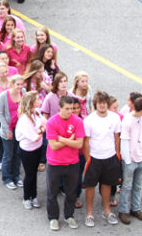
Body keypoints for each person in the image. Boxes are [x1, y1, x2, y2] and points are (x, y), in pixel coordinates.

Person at [46, 95, 85, 231]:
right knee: (52, 192)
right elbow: (53, 146)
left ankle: (69, 216)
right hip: (55, 163)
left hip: (72, 163)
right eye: (67, 108)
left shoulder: (78, 121)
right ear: (60, 108)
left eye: (72, 108)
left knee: (71, 192)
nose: (70, 111)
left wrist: (61, 138)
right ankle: (53, 218)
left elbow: (79, 144)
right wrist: (70, 140)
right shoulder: (51, 122)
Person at [82, 91, 122, 226]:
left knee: (107, 184)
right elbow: (86, 141)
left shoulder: (115, 118)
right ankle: (89, 213)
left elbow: (117, 138)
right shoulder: (89, 120)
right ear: (96, 104)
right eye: (100, 103)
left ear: (107, 104)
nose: (102, 105)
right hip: (94, 159)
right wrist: (88, 159)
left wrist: (117, 154)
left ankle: (107, 210)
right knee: (90, 186)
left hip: (110, 157)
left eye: (104, 102)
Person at [17, 90, 48, 210]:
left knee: (34, 173)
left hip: (37, 149)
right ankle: (26, 197)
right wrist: (41, 129)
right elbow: (34, 137)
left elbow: (45, 124)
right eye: (37, 99)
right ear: (31, 102)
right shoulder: (25, 119)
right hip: (27, 151)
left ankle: (33, 196)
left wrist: (40, 129)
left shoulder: (37, 113)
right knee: (29, 175)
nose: (40, 101)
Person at [119, 96, 142, 224]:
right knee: (127, 186)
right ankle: (123, 211)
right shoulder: (128, 120)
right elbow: (124, 142)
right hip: (130, 160)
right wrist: (127, 161)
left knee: (138, 185)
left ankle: (136, 208)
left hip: (140, 157)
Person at [0, 74, 24, 190]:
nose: (20, 87)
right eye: (17, 84)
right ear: (12, 84)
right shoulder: (4, 95)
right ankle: (7, 177)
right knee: (8, 154)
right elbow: (1, 114)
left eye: (21, 84)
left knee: (18, 153)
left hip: (20, 128)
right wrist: (7, 130)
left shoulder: (23, 92)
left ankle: (16, 176)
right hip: (8, 128)